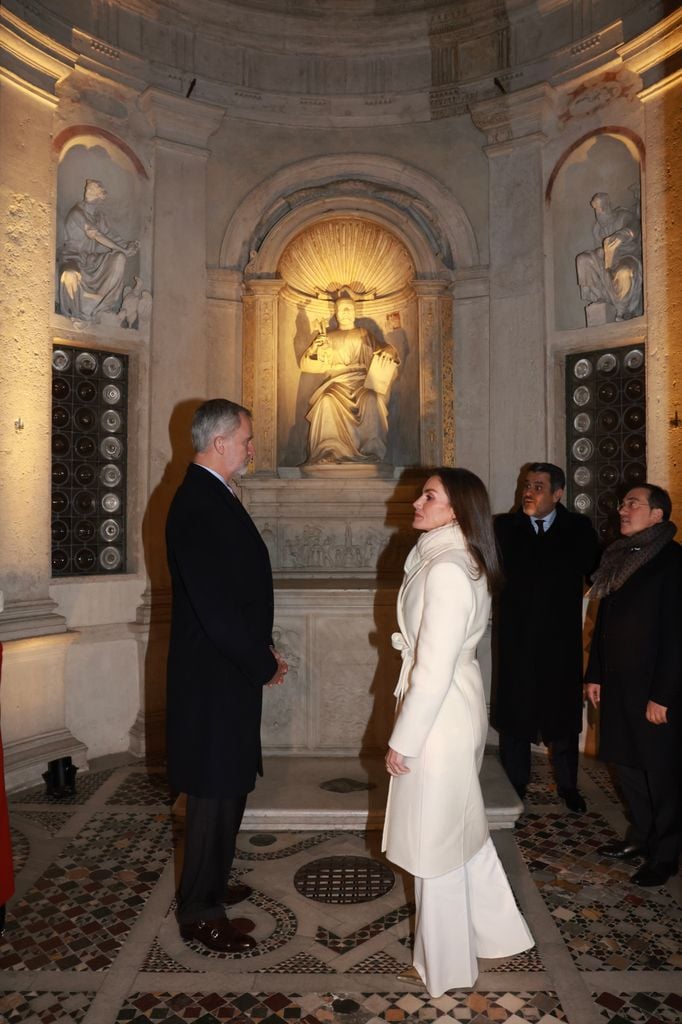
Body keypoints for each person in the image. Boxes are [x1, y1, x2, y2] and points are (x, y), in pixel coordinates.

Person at [382, 468, 533, 996]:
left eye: (429, 496)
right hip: (451, 702)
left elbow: (433, 668)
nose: (416, 501)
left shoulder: (446, 567)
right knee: (459, 825)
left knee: (434, 838)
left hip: (440, 711)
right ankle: (497, 934)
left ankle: (444, 967)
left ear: (456, 510)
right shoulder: (449, 556)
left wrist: (404, 739)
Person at [166, 399, 287, 953]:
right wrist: (262, 663)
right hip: (213, 677)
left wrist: (258, 653)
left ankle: (212, 882)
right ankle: (200, 912)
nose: (252, 447)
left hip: (227, 671)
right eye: (247, 438)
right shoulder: (196, 502)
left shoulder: (215, 494)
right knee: (213, 791)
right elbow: (215, 609)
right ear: (219, 443)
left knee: (230, 783)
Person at [585, 484, 682, 887]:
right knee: (626, 767)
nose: (622, 509)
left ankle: (666, 855)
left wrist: (664, 695)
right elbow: (605, 623)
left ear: (657, 515)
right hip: (619, 686)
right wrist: (595, 673)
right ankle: (641, 838)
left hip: (654, 691)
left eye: (633, 504)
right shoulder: (618, 557)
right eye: (623, 503)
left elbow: (678, 636)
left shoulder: (673, 562)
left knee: (661, 775)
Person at [493, 463, 599, 812]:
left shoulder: (578, 528)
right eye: (526, 484)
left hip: (560, 643)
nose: (529, 491)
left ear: (557, 494)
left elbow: (597, 574)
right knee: (516, 717)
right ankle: (514, 786)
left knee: (562, 717)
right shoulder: (504, 527)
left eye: (538, 486)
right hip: (515, 641)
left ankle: (569, 786)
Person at [299, 295, 399, 464]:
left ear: (354, 312)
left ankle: (371, 451)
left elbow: (385, 350)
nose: (346, 312)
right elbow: (307, 365)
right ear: (336, 314)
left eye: (349, 308)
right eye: (342, 309)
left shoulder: (364, 334)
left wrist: (389, 350)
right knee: (326, 401)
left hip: (362, 383)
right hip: (337, 383)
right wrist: (315, 348)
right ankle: (329, 450)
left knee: (372, 400)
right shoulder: (328, 337)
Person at [58, 179, 139, 320]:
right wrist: (123, 249)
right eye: (94, 191)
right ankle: (78, 312)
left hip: (92, 260)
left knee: (119, 258)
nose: (100, 196)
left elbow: (108, 234)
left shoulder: (98, 216)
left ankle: (104, 306)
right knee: (70, 275)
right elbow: (96, 235)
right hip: (73, 258)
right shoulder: (77, 213)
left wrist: (126, 246)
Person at [576, 191, 643, 321]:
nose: (600, 213)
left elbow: (634, 227)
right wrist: (601, 252)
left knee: (624, 273)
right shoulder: (597, 228)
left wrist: (621, 236)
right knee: (583, 259)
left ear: (609, 205)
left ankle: (623, 311)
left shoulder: (623, 216)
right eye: (597, 210)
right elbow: (601, 246)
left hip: (628, 257)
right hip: (609, 259)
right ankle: (598, 298)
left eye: (602, 208)